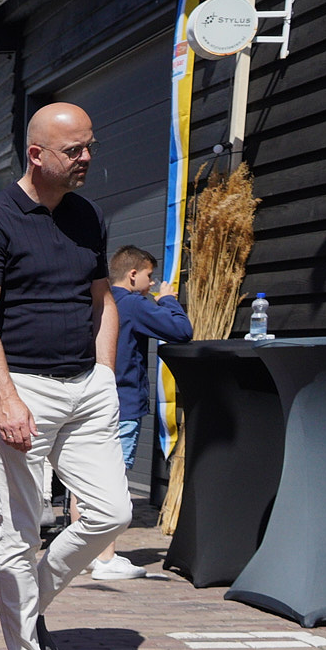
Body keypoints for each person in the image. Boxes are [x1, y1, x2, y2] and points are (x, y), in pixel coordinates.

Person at [0, 103, 126, 650]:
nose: (87, 158)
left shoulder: (88, 215)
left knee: (111, 513)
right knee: (20, 529)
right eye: (74, 150)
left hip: (87, 386)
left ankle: (29, 605)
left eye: (89, 146)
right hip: (22, 388)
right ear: (36, 155)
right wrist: (6, 397)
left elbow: (102, 301)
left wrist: (105, 373)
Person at [96, 245, 191, 580]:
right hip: (123, 405)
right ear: (133, 274)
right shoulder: (133, 303)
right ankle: (106, 559)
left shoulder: (99, 299)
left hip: (94, 400)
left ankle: (88, 555)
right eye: (149, 276)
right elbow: (181, 331)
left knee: (88, 479)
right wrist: (168, 300)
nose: (152, 283)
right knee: (114, 479)